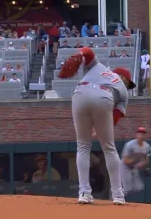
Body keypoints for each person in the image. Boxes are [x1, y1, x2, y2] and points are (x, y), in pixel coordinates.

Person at [58, 47, 136, 205]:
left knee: (82, 146)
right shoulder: (124, 91)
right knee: (108, 147)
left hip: (80, 93)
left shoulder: (97, 66)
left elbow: (88, 52)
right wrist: (99, 129)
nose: (128, 85)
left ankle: (84, 193)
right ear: (122, 76)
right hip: (104, 96)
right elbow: (115, 116)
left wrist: (79, 54)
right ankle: (118, 195)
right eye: (129, 82)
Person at [120, 127, 150, 194]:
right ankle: (115, 198)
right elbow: (125, 160)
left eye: (143, 134)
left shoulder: (147, 146)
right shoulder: (129, 145)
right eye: (140, 133)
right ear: (136, 135)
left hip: (134, 166)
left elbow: (146, 160)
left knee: (139, 187)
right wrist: (134, 163)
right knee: (127, 189)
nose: (141, 135)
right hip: (124, 166)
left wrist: (146, 168)